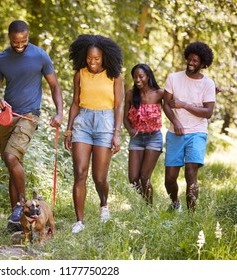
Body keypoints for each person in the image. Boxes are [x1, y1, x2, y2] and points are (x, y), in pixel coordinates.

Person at [0, 20, 63, 232]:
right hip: (7, 115)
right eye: (15, 42)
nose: (20, 45)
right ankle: (17, 218)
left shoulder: (40, 55)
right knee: (11, 164)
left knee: (11, 157)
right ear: (9, 38)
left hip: (30, 116)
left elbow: (54, 86)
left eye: (24, 41)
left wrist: (59, 113)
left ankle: (20, 206)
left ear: (28, 36)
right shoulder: (2, 58)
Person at [64, 35, 124, 233]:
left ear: (104, 57)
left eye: (97, 59)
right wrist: (69, 129)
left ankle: (104, 204)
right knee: (80, 173)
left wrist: (117, 134)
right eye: (89, 58)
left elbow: (118, 106)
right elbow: (75, 103)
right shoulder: (79, 74)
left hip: (105, 124)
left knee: (99, 177)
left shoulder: (114, 76)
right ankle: (79, 221)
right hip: (83, 122)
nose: (92, 62)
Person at [163, 42, 216, 212]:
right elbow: (166, 104)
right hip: (175, 132)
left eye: (196, 61)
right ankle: (175, 203)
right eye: (190, 59)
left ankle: (191, 216)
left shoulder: (208, 84)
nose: (191, 63)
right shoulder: (173, 78)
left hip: (197, 132)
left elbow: (208, 112)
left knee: (190, 172)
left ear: (203, 64)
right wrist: (176, 122)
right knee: (170, 177)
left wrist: (184, 105)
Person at [123, 64, 164, 205]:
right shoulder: (130, 94)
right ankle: (147, 200)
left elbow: (174, 107)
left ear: (148, 76)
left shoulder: (159, 93)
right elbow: (125, 118)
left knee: (145, 177)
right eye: (135, 77)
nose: (137, 79)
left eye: (141, 76)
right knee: (133, 179)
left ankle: (149, 207)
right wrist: (130, 129)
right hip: (137, 138)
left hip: (154, 137)